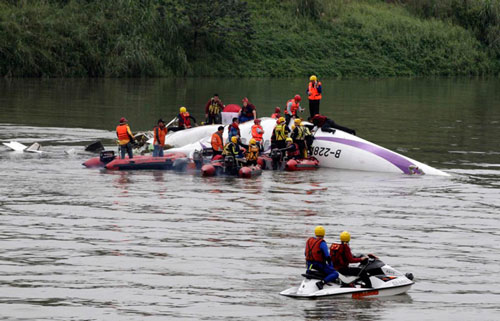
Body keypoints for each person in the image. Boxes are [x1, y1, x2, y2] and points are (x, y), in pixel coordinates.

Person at [305, 226, 339, 290]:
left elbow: (305, 253)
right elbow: (327, 256)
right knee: (335, 273)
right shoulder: (322, 243)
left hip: (309, 266)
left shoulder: (309, 241)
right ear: (323, 233)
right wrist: (331, 266)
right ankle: (322, 283)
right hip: (318, 266)